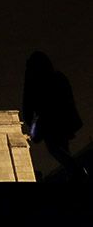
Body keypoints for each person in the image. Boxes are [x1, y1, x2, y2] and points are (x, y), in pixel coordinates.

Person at [22, 51, 87, 182]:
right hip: (62, 120)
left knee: (55, 149)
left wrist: (31, 123)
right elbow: (69, 99)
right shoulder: (58, 76)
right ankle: (75, 174)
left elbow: (27, 103)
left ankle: (77, 172)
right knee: (62, 148)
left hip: (49, 122)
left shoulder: (34, 80)